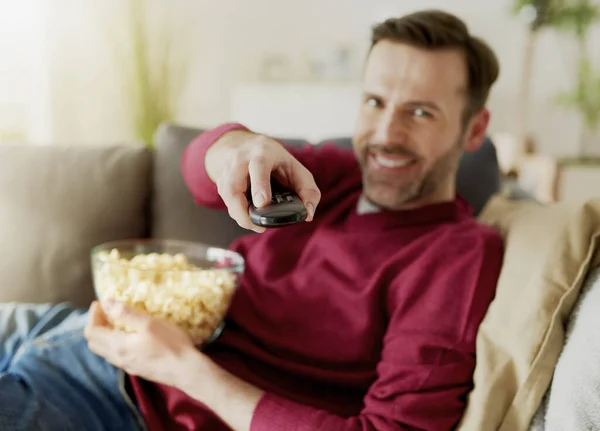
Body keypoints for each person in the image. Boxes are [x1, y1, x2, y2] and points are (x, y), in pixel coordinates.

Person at [0, 9, 504, 431]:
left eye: (420, 113)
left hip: (116, 402)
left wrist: (182, 370)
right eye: (374, 102)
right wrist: (234, 145)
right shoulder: (337, 177)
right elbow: (198, 177)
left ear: (474, 129)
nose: (385, 134)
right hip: (64, 326)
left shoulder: (455, 254)